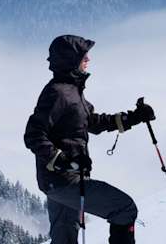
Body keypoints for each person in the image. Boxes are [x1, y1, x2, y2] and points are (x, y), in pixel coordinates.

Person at [24, 35, 155, 244]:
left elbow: (91, 121)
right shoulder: (57, 93)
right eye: (84, 55)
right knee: (124, 209)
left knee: (65, 238)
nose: (89, 59)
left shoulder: (71, 91)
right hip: (65, 181)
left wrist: (133, 117)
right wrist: (62, 161)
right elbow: (33, 134)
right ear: (71, 60)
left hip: (57, 181)